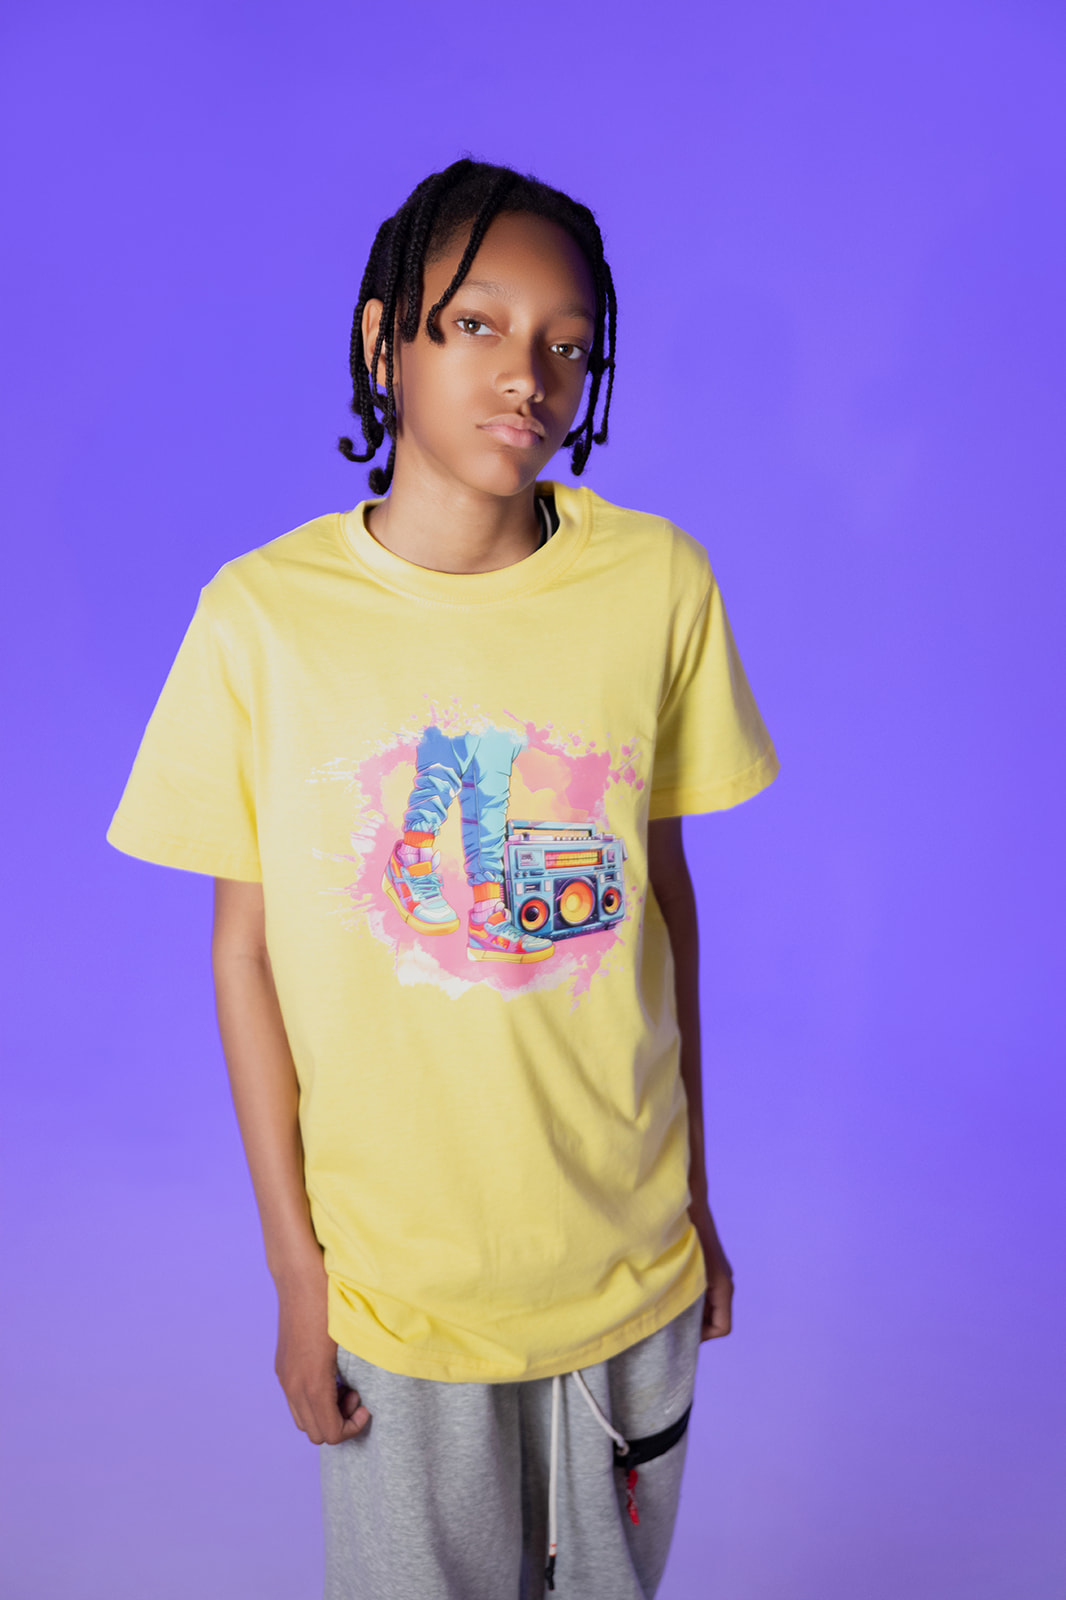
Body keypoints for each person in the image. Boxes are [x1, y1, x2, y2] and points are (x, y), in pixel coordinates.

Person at [107, 158, 780, 1599]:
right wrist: (299, 1279)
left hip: (629, 1275)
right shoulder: (262, 622)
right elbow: (244, 955)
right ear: (382, 341)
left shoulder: (657, 583)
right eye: (475, 324)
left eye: (567, 344)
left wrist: (696, 1202)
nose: (528, 374)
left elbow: (663, 911)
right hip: (397, 1299)